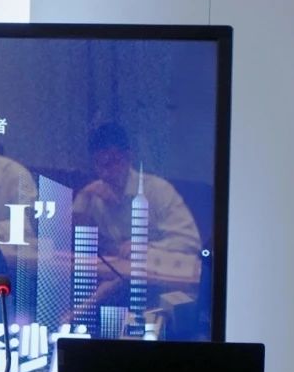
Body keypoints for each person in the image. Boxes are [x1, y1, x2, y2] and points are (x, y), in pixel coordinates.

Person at [72, 123, 202, 304]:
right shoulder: (94, 196)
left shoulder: (157, 190)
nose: (106, 173)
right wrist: (83, 196)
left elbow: (190, 242)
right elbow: (75, 245)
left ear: (128, 158)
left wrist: (145, 249)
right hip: (119, 285)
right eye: (99, 165)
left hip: (162, 288)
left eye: (112, 163)